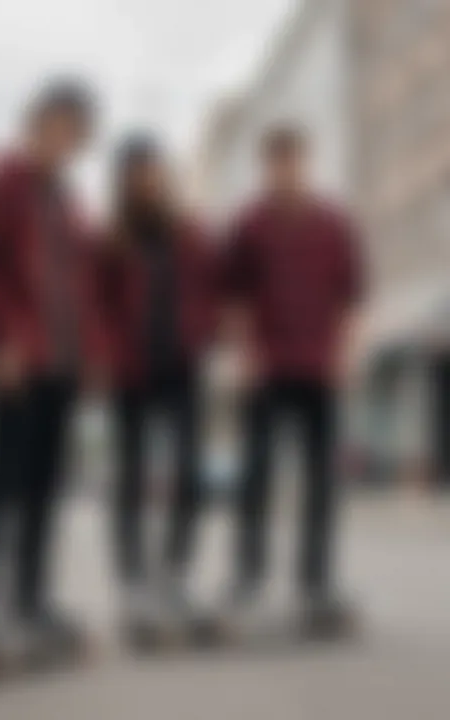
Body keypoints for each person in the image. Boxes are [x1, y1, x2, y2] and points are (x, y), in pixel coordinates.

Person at [0, 79, 99, 669]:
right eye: (56, 126)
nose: (64, 140)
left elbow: (79, 285)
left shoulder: (69, 200)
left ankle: (31, 600)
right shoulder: (3, 180)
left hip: (61, 365)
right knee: (0, 484)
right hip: (17, 360)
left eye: (75, 133)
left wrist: (86, 356)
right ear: (35, 125)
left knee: (44, 489)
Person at [225, 125, 365, 635]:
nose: (286, 170)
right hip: (267, 369)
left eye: (294, 161)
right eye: (276, 162)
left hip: (319, 368)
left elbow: (351, 297)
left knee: (321, 482)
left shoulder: (333, 223)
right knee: (255, 476)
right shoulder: (250, 223)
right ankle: (248, 578)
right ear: (267, 166)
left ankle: (316, 582)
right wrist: (244, 356)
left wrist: (346, 356)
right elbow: (235, 296)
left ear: (307, 163)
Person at [90, 136, 222, 648]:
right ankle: (133, 583)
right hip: (130, 372)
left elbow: (214, 287)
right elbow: (95, 303)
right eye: (136, 173)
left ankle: (174, 574)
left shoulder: (189, 233)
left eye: (153, 171)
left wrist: (205, 332)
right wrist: (104, 355)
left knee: (189, 472)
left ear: (164, 177)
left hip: (183, 368)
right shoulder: (111, 239)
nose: (146, 181)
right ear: (123, 182)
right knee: (130, 477)